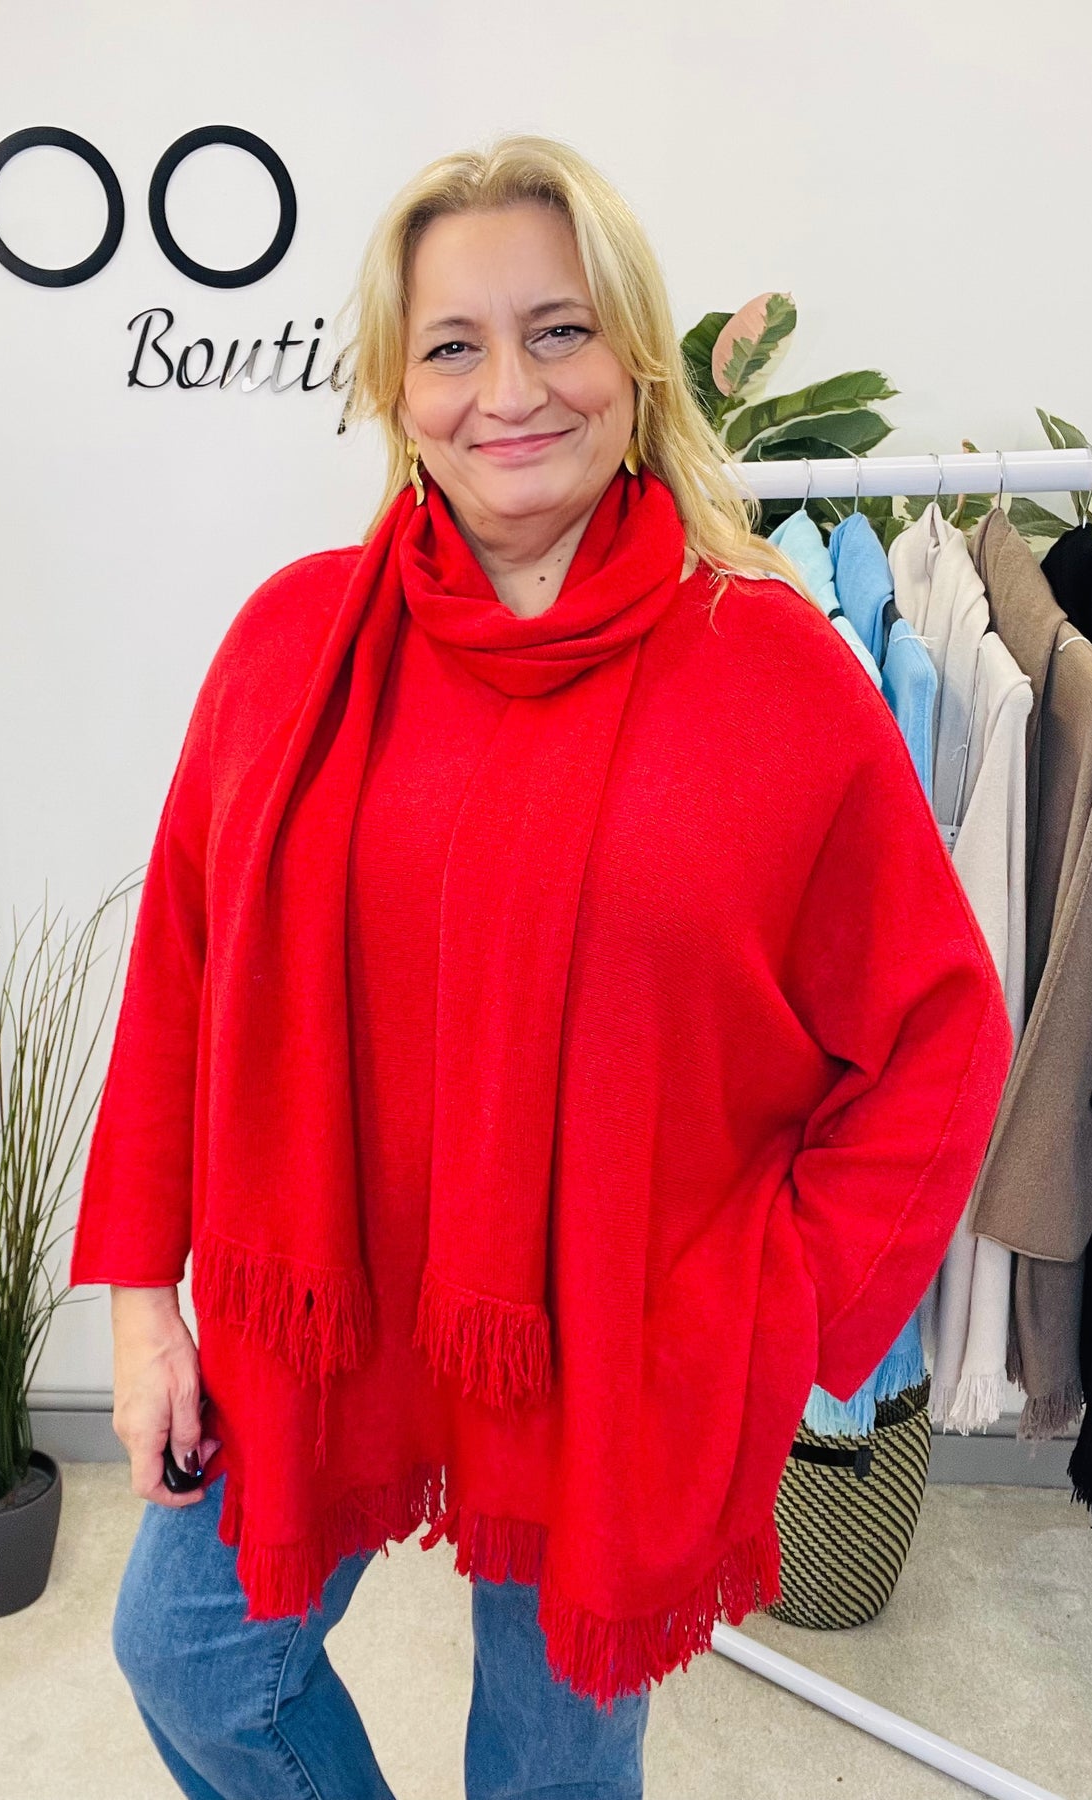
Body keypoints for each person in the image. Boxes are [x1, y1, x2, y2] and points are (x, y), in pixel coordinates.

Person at [68, 134, 1014, 1800]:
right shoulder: (290, 645)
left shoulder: (769, 665)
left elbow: (939, 1032)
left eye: (557, 331)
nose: (507, 390)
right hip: (327, 1307)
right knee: (191, 1657)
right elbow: (180, 974)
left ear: (633, 357)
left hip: (613, 1349)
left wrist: (771, 1297)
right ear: (395, 385)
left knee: (552, 1763)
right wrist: (146, 1310)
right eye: (453, 345)